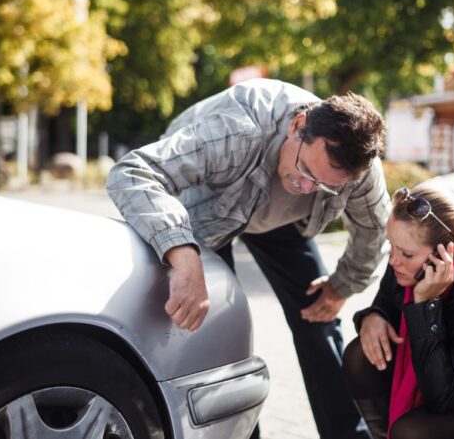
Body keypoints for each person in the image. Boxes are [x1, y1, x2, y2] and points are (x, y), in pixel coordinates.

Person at [107, 78, 390, 439]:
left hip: (283, 222)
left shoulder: (359, 169)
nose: (305, 188)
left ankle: (349, 434)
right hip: (210, 208)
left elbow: (374, 231)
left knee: (319, 316)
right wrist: (182, 252)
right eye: (304, 171)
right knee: (215, 330)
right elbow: (132, 171)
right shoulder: (237, 131)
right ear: (296, 126)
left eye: (322, 186)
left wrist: (342, 286)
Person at [343, 183, 454, 439]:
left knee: (410, 432)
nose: (393, 261)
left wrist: (425, 304)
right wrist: (372, 316)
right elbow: (386, 303)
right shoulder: (407, 263)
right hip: (432, 378)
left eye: (406, 254)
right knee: (359, 356)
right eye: (392, 246)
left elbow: (444, 395)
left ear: (445, 253)